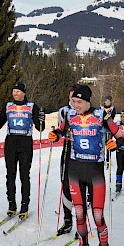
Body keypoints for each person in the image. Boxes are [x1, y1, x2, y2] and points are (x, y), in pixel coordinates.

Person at [48, 84, 124, 246]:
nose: (76, 105)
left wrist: (114, 144)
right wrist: (55, 134)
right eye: (73, 101)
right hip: (75, 168)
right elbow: (61, 130)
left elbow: (121, 136)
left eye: (79, 102)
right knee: (80, 214)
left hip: (95, 169)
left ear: (88, 100)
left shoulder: (101, 116)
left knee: (97, 215)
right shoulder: (70, 115)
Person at [0, 82, 44, 220]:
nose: (15, 94)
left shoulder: (32, 107)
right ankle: (11, 204)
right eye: (14, 91)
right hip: (10, 143)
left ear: (24, 92)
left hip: (25, 143)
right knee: (10, 174)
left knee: (24, 175)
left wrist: (41, 119)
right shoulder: (8, 106)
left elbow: (40, 128)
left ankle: (24, 205)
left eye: (18, 91)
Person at [56, 84, 77, 235]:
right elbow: (60, 130)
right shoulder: (64, 111)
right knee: (65, 185)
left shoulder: (91, 111)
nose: (73, 100)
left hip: (84, 153)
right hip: (68, 149)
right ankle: (68, 220)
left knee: (82, 187)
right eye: (71, 97)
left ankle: (84, 223)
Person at [101, 95, 116, 169]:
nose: (107, 102)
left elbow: (111, 117)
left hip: (109, 128)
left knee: (109, 144)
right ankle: (102, 159)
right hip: (103, 128)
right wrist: (104, 119)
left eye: (109, 101)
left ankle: (108, 159)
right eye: (106, 101)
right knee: (102, 144)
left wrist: (105, 118)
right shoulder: (101, 108)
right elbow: (101, 118)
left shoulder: (113, 108)